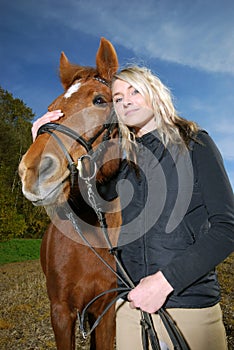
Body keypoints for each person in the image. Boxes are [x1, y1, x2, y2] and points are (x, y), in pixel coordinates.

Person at [32, 65, 234, 350]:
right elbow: (74, 200)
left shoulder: (196, 144)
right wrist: (45, 144)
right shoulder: (123, 170)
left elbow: (227, 229)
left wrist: (164, 283)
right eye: (117, 97)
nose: (125, 100)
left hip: (187, 309)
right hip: (129, 312)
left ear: (155, 94)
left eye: (134, 91)